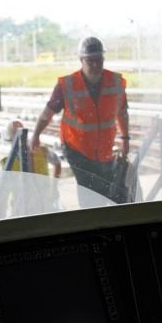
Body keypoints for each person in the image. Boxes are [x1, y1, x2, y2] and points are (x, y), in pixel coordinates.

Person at [31, 36, 130, 205]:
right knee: (89, 190)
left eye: (99, 60)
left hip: (104, 148)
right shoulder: (67, 85)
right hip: (76, 148)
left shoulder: (115, 82)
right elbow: (48, 112)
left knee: (104, 189)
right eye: (90, 61)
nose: (96, 65)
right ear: (81, 60)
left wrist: (125, 139)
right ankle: (91, 220)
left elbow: (122, 112)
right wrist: (36, 135)